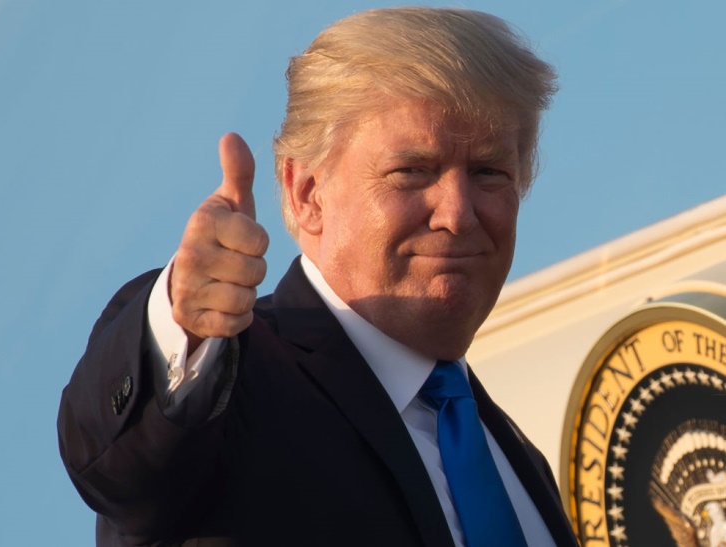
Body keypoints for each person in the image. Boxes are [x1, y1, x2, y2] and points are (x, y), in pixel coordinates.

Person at [58, 7, 578, 547]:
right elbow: (119, 463)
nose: (457, 213)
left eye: (489, 172)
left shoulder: (519, 466)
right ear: (307, 193)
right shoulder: (232, 386)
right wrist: (184, 323)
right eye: (413, 171)